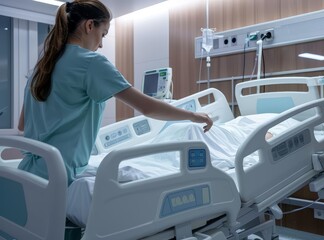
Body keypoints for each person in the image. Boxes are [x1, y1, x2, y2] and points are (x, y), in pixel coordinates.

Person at [17, 0, 213, 186]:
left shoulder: (42, 68)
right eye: (103, 34)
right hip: (59, 176)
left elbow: (22, 124)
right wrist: (193, 115)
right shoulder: (91, 62)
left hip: (28, 173)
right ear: (89, 26)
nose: (101, 44)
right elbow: (148, 107)